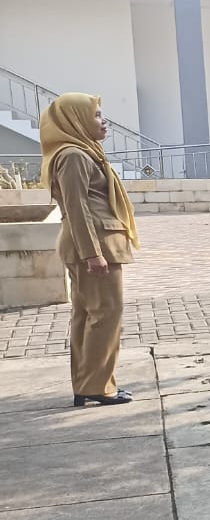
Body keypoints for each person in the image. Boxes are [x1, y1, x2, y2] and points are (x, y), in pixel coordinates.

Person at [40, 92, 138, 406]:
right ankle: (98, 386)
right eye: (96, 115)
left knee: (87, 316)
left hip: (93, 244)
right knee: (106, 315)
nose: (103, 121)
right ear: (76, 120)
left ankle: (87, 383)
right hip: (94, 246)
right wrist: (92, 253)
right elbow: (77, 207)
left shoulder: (82, 152)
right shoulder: (73, 156)